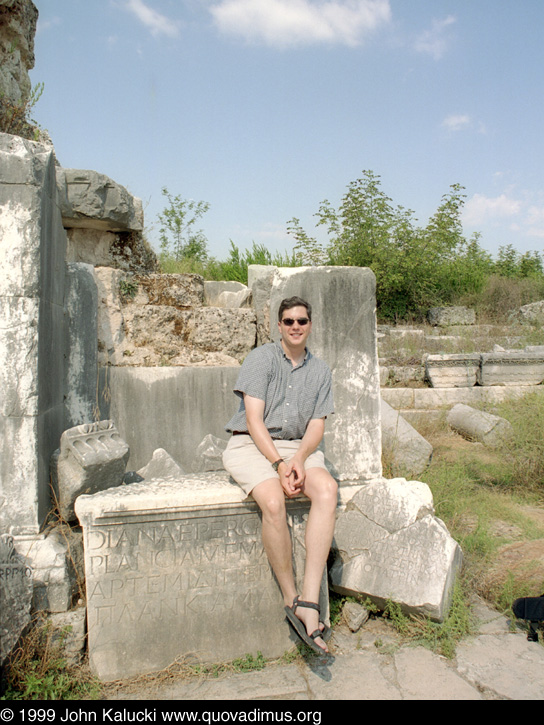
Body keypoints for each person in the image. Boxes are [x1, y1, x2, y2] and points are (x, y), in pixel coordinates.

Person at [223, 296, 338, 654]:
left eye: (301, 321)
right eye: (288, 321)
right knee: (273, 500)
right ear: (279, 325)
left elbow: (316, 426)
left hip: (296, 448)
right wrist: (278, 465)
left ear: (310, 324)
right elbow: (254, 421)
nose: (295, 327)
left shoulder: (320, 371)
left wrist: (300, 459)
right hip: (252, 445)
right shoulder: (261, 359)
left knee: (327, 490)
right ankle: (291, 598)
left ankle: (310, 598)